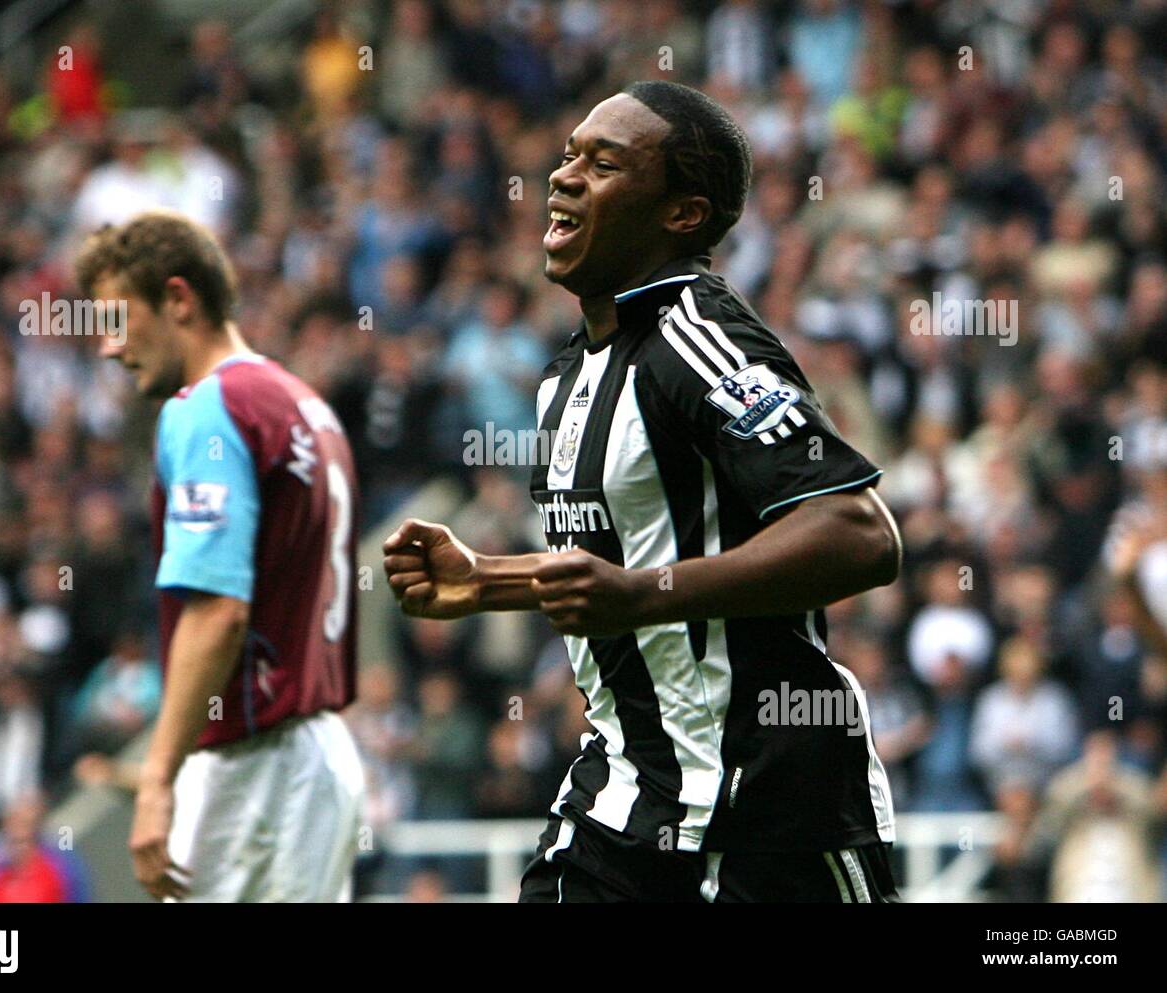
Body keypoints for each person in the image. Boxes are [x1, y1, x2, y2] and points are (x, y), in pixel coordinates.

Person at [384, 81, 902, 902]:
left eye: (605, 162)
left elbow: (858, 531)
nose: (564, 176)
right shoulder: (564, 378)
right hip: (624, 803)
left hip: (769, 814)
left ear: (681, 214)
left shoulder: (698, 337)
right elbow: (627, 571)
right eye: (568, 155)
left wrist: (642, 591)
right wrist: (487, 580)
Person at [75, 210, 364, 901]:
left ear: (178, 299)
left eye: (119, 320)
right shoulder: (301, 402)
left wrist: (154, 783)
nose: (110, 348)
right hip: (314, 758)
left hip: (255, 769)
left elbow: (219, 613)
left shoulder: (206, 409)